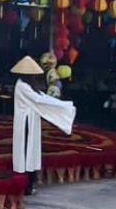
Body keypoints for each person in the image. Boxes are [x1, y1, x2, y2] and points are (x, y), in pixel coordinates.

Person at [10, 56, 77, 195]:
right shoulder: (22, 86)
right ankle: (24, 185)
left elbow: (41, 97)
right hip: (25, 123)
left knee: (31, 152)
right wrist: (62, 105)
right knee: (25, 153)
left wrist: (64, 105)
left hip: (31, 122)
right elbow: (38, 99)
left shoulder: (28, 86)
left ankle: (29, 183)